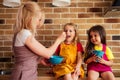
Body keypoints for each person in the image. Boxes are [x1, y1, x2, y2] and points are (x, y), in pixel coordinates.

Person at [10, 1, 66, 80]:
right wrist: (59, 40)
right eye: (38, 19)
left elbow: (25, 58)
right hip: (24, 75)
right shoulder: (24, 34)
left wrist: (39, 61)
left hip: (26, 73)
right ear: (31, 18)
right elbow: (48, 54)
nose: (39, 22)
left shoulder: (22, 33)